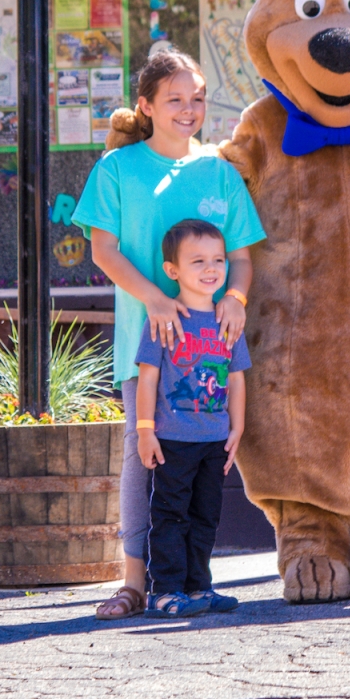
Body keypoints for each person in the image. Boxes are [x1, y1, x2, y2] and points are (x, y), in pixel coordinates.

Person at [72, 49, 265, 620]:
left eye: (198, 98)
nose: (189, 109)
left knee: (202, 476)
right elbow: (103, 251)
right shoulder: (116, 169)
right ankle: (135, 582)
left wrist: (235, 298)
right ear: (147, 105)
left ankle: (188, 581)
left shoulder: (220, 173)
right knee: (144, 454)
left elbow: (243, 259)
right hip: (148, 346)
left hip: (207, 358)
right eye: (175, 99)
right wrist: (155, 297)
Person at [136, 219, 250, 617]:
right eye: (198, 260)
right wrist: (145, 431)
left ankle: (199, 587)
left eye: (218, 259)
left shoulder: (228, 320)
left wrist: (236, 428)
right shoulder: (164, 318)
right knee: (170, 515)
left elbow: (236, 380)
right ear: (173, 271)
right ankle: (164, 591)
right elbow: (147, 379)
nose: (211, 268)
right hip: (172, 439)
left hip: (214, 440)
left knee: (205, 517)